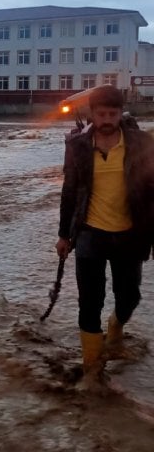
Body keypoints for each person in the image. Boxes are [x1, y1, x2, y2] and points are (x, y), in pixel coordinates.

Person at [57, 84, 154, 385]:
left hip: (130, 235)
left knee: (129, 297)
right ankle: (93, 372)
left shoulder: (142, 143)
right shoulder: (77, 146)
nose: (107, 119)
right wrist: (63, 235)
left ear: (121, 112)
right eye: (102, 114)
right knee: (90, 303)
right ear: (92, 114)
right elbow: (69, 192)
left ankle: (116, 326)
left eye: (113, 113)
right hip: (90, 236)